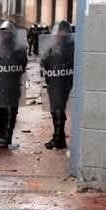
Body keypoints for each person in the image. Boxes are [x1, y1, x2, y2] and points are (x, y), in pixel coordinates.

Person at [0, 21, 28, 148]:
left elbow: (22, 65)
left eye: (7, 32)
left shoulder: (19, 48)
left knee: (11, 111)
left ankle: (8, 136)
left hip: (12, 83)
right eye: (3, 32)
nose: (5, 35)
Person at [40, 20, 74, 150]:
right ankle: (58, 137)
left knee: (58, 109)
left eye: (62, 31)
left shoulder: (71, 45)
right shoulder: (52, 45)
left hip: (63, 80)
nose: (60, 34)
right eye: (59, 31)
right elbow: (43, 60)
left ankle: (58, 138)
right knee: (55, 109)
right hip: (53, 80)